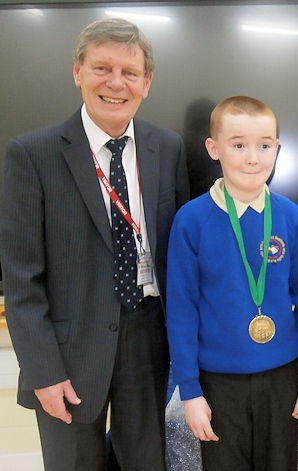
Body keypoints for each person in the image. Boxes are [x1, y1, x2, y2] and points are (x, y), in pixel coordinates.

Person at [0, 18, 190, 470]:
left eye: (129, 72)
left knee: (147, 463)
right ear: (77, 72)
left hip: (149, 341)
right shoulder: (32, 153)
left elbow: (178, 256)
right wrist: (44, 371)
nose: (115, 83)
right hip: (68, 349)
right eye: (102, 68)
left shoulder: (168, 147)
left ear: (146, 83)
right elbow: (21, 278)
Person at [166, 95, 298, 470]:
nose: (253, 158)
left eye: (264, 146)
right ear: (213, 148)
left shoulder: (292, 217)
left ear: (277, 149)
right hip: (217, 383)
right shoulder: (191, 221)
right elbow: (181, 312)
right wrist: (190, 391)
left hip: (282, 378)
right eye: (238, 145)